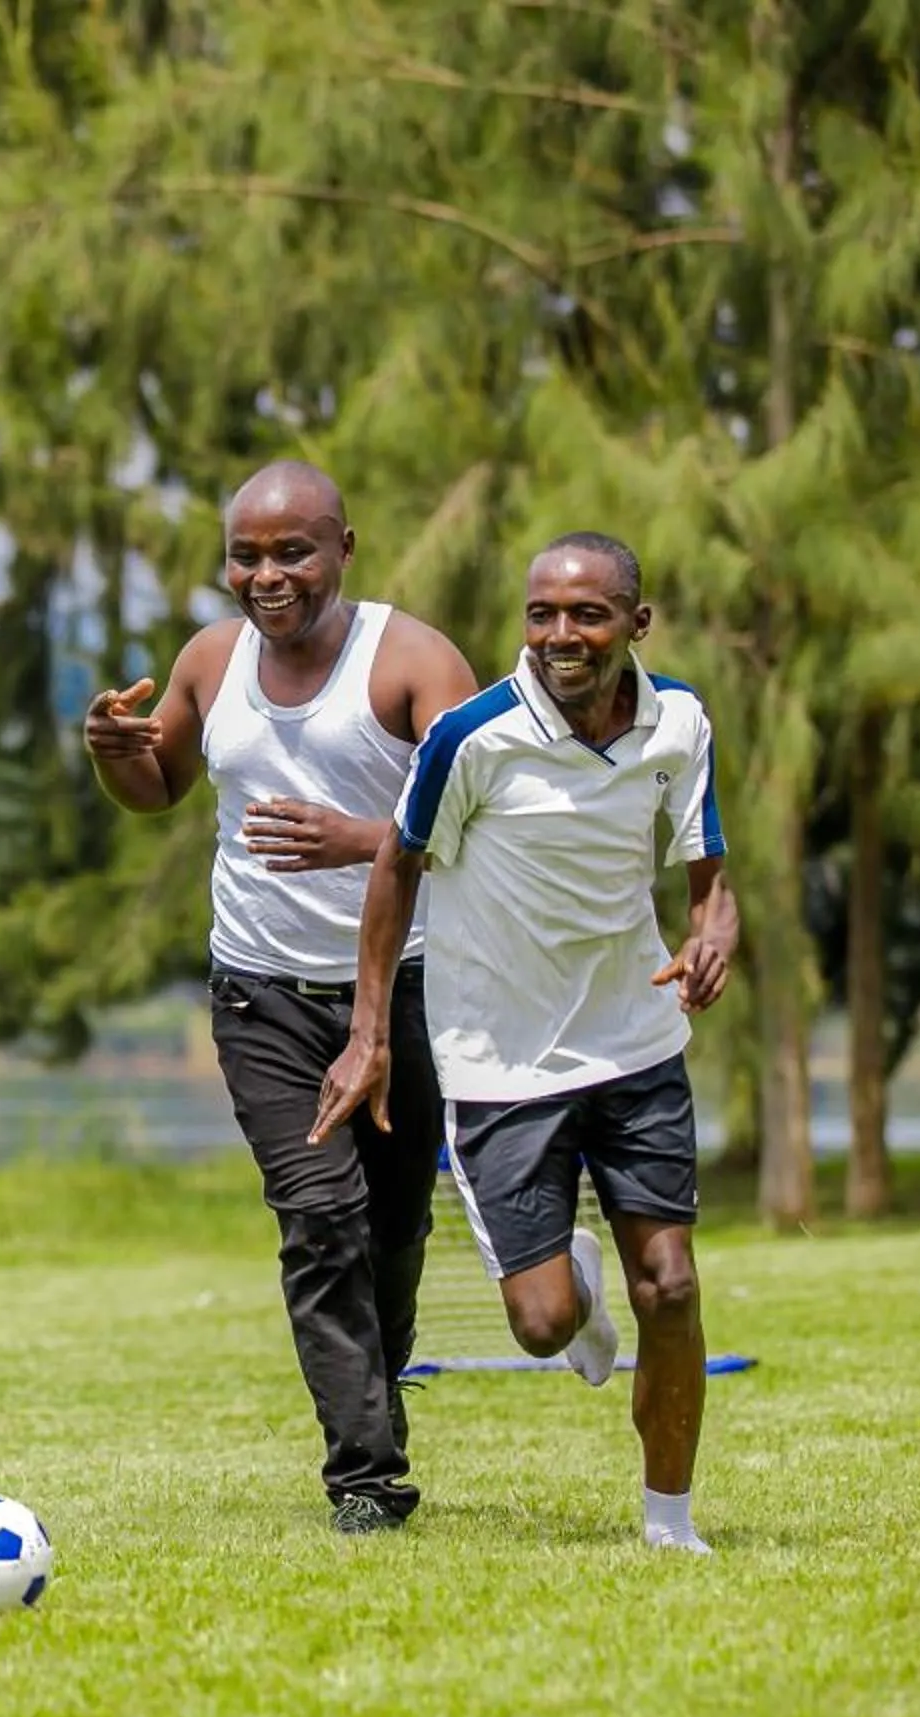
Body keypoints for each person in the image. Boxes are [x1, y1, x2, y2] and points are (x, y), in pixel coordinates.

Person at [313, 531, 738, 1554]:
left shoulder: (680, 720)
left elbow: (708, 873)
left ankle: (670, 1522)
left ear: (637, 623)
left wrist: (712, 935)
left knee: (673, 1285)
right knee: (543, 1323)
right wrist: (371, 1033)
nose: (561, 634)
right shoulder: (473, 736)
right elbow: (396, 867)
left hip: (637, 1043)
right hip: (499, 1062)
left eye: (588, 614)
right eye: (542, 613)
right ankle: (576, 1284)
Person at [84, 461, 480, 1534]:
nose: (268, 576)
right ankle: (366, 1476)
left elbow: (494, 822)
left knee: (393, 1228)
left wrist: (365, 839)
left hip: (405, 992)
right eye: (246, 556)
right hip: (261, 996)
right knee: (320, 1217)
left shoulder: (413, 662)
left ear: (344, 548)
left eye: (293, 552)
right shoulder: (211, 662)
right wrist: (113, 755)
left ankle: (373, 1391)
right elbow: (158, 788)